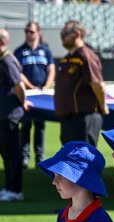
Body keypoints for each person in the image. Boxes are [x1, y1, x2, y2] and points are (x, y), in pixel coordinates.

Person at [54, 20, 108, 146]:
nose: (62, 36)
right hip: (68, 118)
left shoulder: (85, 57)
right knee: (70, 160)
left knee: (82, 159)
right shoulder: (66, 59)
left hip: (84, 117)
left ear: (77, 34)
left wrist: (103, 106)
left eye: (65, 33)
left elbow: (98, 85)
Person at [16, 20, 53, 167]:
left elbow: (51, 69)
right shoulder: (20, 51)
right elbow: (17, 72)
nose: (28, 34)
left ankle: (40, 157)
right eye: (26, 31)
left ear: (38, 32)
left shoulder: (45, 50)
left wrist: (46, 87)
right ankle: (24, 157)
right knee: (25, 125)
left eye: (31, 31)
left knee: (40, 126)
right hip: (27, 94)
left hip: (42, 93)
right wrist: (31, 87)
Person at [0, 28, 26, 202]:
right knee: (5, 153)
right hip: (4, 113)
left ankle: (15, 190)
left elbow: (19, 85)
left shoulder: (7, 60)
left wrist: (22, 103)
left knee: (12, 153)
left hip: (9, 114)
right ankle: (9, 186)